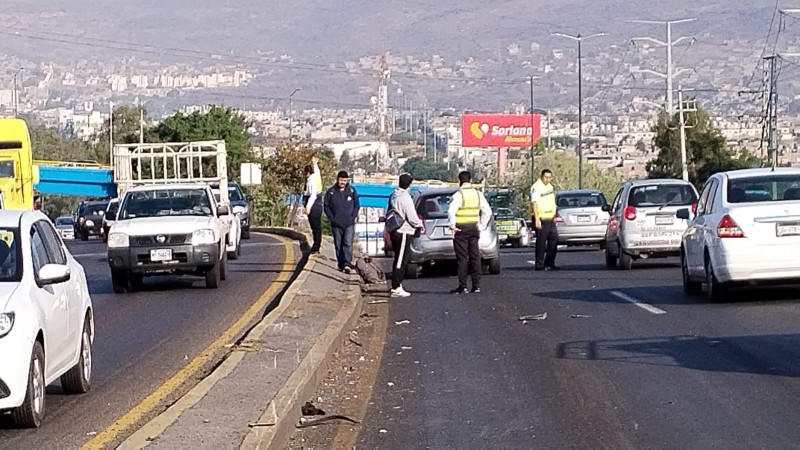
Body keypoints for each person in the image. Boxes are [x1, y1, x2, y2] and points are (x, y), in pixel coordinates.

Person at [447, 171, 492, 294]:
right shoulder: (478, 194)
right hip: (473, 228)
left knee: (462, 258)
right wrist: (481, 226)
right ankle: (476, 286)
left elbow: (451, 211)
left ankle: (463, 286)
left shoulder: (458, 195)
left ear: (459, 181)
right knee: (475, 257)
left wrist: (452, 225)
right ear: (470, 180)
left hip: (461, 229)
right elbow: (487, 211)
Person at [387, 173, 422, 298]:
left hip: (395, 229)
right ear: (409, 184)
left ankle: (398, 285)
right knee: (401, 259)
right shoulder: (405, 198)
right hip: (403, 230)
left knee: (399, 257)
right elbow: (412, 217)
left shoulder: (394, 195)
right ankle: (396, 287)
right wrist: (419, 224)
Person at [324, 171, 360, 274]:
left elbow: (357, 206)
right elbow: (326, 206)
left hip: (349, 223)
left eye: (345, 180)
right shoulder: (331, 192)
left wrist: (352, 217)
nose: (343, 182)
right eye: (341, 180)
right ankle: (341, 264)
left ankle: (347, 264)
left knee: (348, 243)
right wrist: (332, 218)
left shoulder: (352, 191)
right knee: (338, 245)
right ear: (337, 179)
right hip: (336, 224)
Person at [531, 168, 559, 271]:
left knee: (554, 239)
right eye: (546, 177)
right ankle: (539, 264)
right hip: (542, 218)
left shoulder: (550, 187)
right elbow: (534, 203)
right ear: (541, 176)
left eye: (549, 177)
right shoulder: (536, 187)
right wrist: (537, 219)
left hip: (550, 218)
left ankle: (550, 262)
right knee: (541, 242)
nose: (548, 179)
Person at [303, 155, 323, 254]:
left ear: (307, 172)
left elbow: (313, 195)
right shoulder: (316, 176)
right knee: (317, 227)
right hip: (318, 204)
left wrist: (308, 207)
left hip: (314, 204)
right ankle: (317, 246)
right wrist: (315, 164)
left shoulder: (311, 181)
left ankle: (316, 247)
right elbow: (317, 171)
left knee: (315, 227)